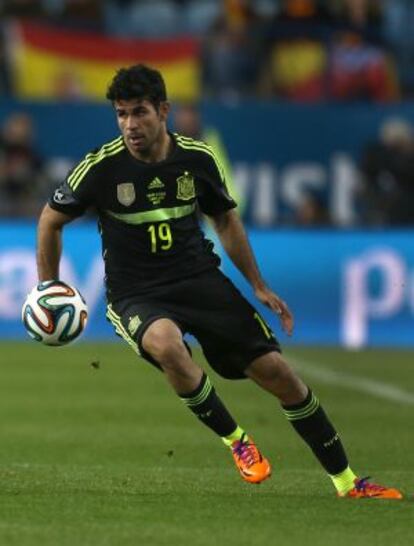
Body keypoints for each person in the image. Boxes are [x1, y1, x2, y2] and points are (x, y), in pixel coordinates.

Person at [36, 64, 402, 499]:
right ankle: (238, 442)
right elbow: (49, 221)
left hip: (199, 280)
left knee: (280, 374)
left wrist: (258, 285)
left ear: (164, 110)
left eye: (139, 113)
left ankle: (348, 483)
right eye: (121, 115)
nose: (130, 125)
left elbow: (225, 218)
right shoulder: (100, 168)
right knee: (168, 346)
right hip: (136, 294)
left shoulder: (197, 159)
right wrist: (48, 288)